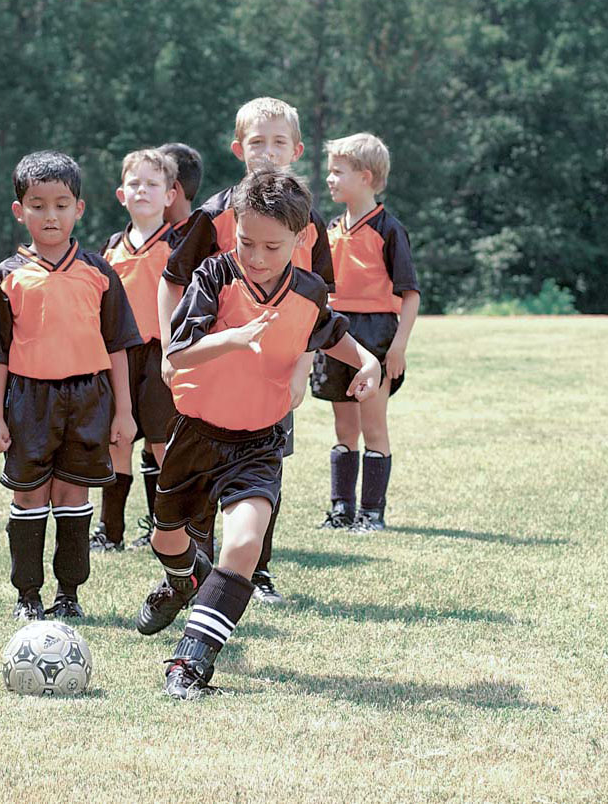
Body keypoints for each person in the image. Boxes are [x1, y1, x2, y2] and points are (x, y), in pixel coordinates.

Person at [136, 166, 381, 699]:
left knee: (244, 542)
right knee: (166, 538)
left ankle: (190, 663)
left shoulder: (310, 290)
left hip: (259, 442)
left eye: (273, 246)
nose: (258, 256)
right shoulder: (214, 277)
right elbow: (178, 351)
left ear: (302, 239)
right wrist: (234, 339)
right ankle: (184, 581)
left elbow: (332, 333)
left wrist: (367, 361)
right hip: (197, 434)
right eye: (247, 241)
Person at [155, 97, 333, 605]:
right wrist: (173, 351)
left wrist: (302, 367)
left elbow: (321, 303)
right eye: (258, 142)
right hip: (212, 369)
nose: (268, 153)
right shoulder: (214, 215)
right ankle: (206, 570)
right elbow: (172, 283)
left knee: (262, 471)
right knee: (204, 470)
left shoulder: (307, 220)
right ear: (239, 149)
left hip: (273, 372)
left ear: (297, 151)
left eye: (280, 143)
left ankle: (258, 572)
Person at [0, 150, 141, 621]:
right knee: (28, 497)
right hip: (29, 400)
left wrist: (124, 412)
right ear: (19, 210)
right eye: (38, 205)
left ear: (79, 209)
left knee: (74, 495)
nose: (50, 215)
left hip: (88, 398)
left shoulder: (100, 273)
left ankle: (69, 593)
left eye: (61, 204)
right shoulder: (8, 276)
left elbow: (119, 346)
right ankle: (28, 595)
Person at [312, 133, 420, 532]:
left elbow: (410, 295)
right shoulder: (330, 229)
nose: (330, 179)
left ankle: (372, 513)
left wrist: (398, 348)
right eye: (330, 172)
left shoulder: (390, 230)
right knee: (344, 427)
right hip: (336, 333)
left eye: (338, 172)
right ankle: (342, 509)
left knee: (373, 425)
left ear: (367, 176)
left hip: (377, 335)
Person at [90, 149, 182, 552]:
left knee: (163, 445)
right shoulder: (111, 249)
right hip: (120, 358)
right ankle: (110, 532)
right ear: (120, 194)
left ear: (169, 195)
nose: (142, 190)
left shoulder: (179, 245)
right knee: (118, 440)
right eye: (134, 183)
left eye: (152, 184)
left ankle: (167, 528)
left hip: (163, 357)